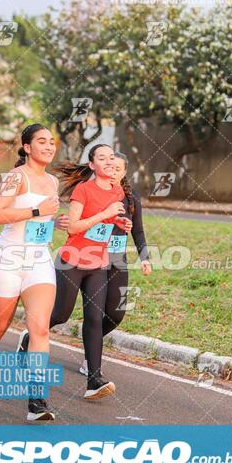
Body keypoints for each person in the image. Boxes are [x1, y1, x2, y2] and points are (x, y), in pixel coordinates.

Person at [0, 123, 69, 421]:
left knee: (40, 329)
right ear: (26, 147)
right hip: (6, 261)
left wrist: (54, 222)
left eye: (52, 142)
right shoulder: (14, 178)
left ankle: (36, 402)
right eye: (41, 141)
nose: (49, 146)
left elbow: (41, 223)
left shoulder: (52, 181)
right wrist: (37, 211)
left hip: (38, 260)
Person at [17, 144, 130, 400]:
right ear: (92, 165)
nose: (108, 161)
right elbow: (74, 228)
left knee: (94, 319)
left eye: (111, 157)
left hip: (97, 264)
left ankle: (94, 380)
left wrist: (119, 222)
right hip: (72, 261)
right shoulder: (84, 189)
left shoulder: (117, 190)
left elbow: (107, 223)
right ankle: (29, 336)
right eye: (102, 158)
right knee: (61, 314)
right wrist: (107, 213)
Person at [79, 151, 152, 376]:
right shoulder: (93, 193)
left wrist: (145, 258)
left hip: (117, 259)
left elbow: (138, 231)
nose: (113, 172)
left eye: (118, 169)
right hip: (92, 258)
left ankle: (92, 347)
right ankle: (92, 361)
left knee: (116, 313)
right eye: (110, 168)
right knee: (92, 314)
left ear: (124, 173)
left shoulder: (131, 199)